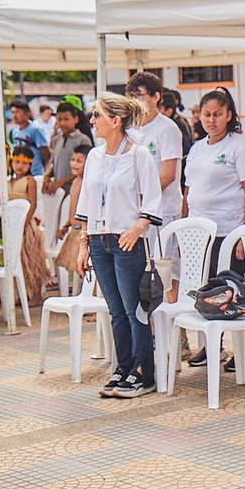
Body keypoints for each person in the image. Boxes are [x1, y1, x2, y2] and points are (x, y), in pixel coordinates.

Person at [75, 92, 163, 397]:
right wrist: (83, 243)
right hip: (99, 241)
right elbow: (86, 201)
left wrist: (138, 227)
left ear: (115, 121)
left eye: (97, 115)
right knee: (115, 310)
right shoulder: (94, 156)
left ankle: (142, 373)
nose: (93, 121)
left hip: (126, 240)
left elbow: (152, 199)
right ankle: (122, 368)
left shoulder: (139, 155)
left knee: (133, 310)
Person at [181, 87, 245, 370]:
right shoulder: (196, 149)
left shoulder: (241, 146)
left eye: (217, 114)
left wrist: (244, 234)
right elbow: (188, 191)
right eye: (206, 114)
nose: (211, 120)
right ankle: (210, 346)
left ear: (229, 115)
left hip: (229, 232)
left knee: (233, 292)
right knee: (205, 291)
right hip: (199, 235)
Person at [127, 72, 184, 301]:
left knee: (166, 270)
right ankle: (151, 330)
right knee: (143, 272)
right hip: (136, 213)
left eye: (140, 95)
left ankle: (176, 332)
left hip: (163, 211)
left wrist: (142, 197)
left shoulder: (167, 129)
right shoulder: (131, 129)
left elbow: (168, 175)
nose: (135, 101)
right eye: (132, 96)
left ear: (156, 97)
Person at [8, 145, 51, 304]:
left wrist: (24, 222)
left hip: (26, 225)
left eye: (24, 163)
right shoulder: (9, 181)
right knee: (19, 260)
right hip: (11, 226)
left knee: (32, 260)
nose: (20, 166)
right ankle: (22, 293)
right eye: (17, 161)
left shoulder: (30, 181)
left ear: (30, 164)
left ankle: (37, 295)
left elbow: (32, 204)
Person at [54, 144, 92, 279]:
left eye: (79, 161)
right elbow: (74, 209)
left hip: (82, 232)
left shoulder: (87, 183)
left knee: (84, 271)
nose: (74, 164)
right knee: (76, 271)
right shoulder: (76, 181)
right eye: (73, 159)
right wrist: (66, 226)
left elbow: (87, 210)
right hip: (74, 230)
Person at [44, 102, 92, 197]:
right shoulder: (56, 139)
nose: (62, 123)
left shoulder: (83, 140)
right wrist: (47, 177)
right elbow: (54, 163)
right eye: (59, 119)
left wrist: (61, 182)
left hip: (77, 192)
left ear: (76, 119)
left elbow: (85, 169)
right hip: (58, 194)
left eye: (66, 119)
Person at [6, 100, 50, 176]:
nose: (14, 115)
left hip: (35, 172)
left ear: (27, 114)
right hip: (21, 173)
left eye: (17, 112)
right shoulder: (14, 132)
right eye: (12, 112)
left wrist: (46, 170)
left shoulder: (35, 130)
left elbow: (45, 152)